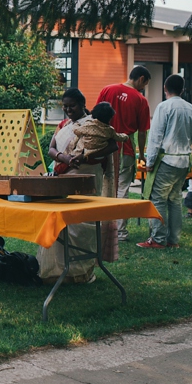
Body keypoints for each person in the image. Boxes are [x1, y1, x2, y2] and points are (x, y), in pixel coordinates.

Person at [41, 88, 119, 283]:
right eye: (65, 106)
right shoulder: (64, 125)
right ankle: (56, 270)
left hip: (87, 177)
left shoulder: (95, 124)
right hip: (64, 179)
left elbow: (113, 145)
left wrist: (85, 156)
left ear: (83, 104)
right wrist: (64, 157)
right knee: (60, 224)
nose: (68, 110)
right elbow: (51, 148)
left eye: (72, 106)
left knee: (80, 225)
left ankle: (80, 272)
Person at [140, 74, 192, 249]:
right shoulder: (191, 108)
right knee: (175, 199)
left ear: (165, 89)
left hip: (167, 159)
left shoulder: (164, 107)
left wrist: (150, 161)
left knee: (158, 199)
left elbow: (155, 137)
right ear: (183, 90)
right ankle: (173, 240)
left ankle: (158, 239)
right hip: (184, 161)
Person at [96, 66, 152, 241]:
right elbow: (142, 132)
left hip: (103, 145)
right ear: (141, 79)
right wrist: (141, 154)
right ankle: (119, 232)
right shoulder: (141, 100)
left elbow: (94, 116)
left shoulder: (107, 90)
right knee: (122, 188)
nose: (143, 88)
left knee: (103, 186)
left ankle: (100, 227)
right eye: (144, 85)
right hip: (125, 148)